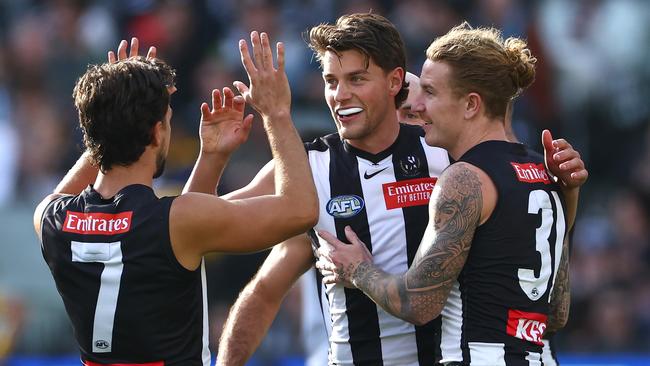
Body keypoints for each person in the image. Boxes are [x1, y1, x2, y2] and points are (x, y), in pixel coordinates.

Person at [215, 14, 586, 366]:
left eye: (357, 79)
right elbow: (218, 244)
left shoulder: (448, 155)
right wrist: (212, 158)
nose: (340, 94)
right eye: (331, 81)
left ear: (395, 82)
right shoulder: (310, 169)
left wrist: (358, 269)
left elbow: (424, 300)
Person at [32, 33, 317, 365]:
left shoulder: (51, 219)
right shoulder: (176, 220)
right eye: (166, 122)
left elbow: (177, 240)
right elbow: (301, 210)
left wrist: (210, 157)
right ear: (156, 132)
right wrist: (277, 113)